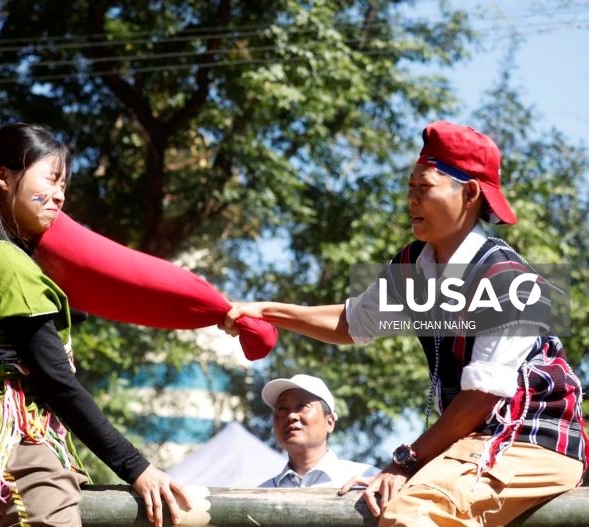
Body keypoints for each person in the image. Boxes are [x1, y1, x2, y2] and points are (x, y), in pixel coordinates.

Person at [221, 121, 587, 526]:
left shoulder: (509, 281)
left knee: (411, 511)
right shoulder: (414, 264)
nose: (411, 200)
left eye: (424, 187)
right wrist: (267, 311)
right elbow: (352, 322)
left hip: (533, 440)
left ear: (469, 194)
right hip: (475, 442)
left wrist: (406, 461)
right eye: (409, 187)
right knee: (375, 504)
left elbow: (481, 397)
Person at [0, 123, 190, 527]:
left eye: (63, 184)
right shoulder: (6, 265)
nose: (60, 196)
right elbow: (59, 384)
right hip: (22, 456)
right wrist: (137, 467)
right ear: (3, 177)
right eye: (51, 180)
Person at [259, 374, 378, 488]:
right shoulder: (260, 495)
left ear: (330, 422)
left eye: (301, 406)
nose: (291, 416)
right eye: (282, 408)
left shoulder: (367, 479)